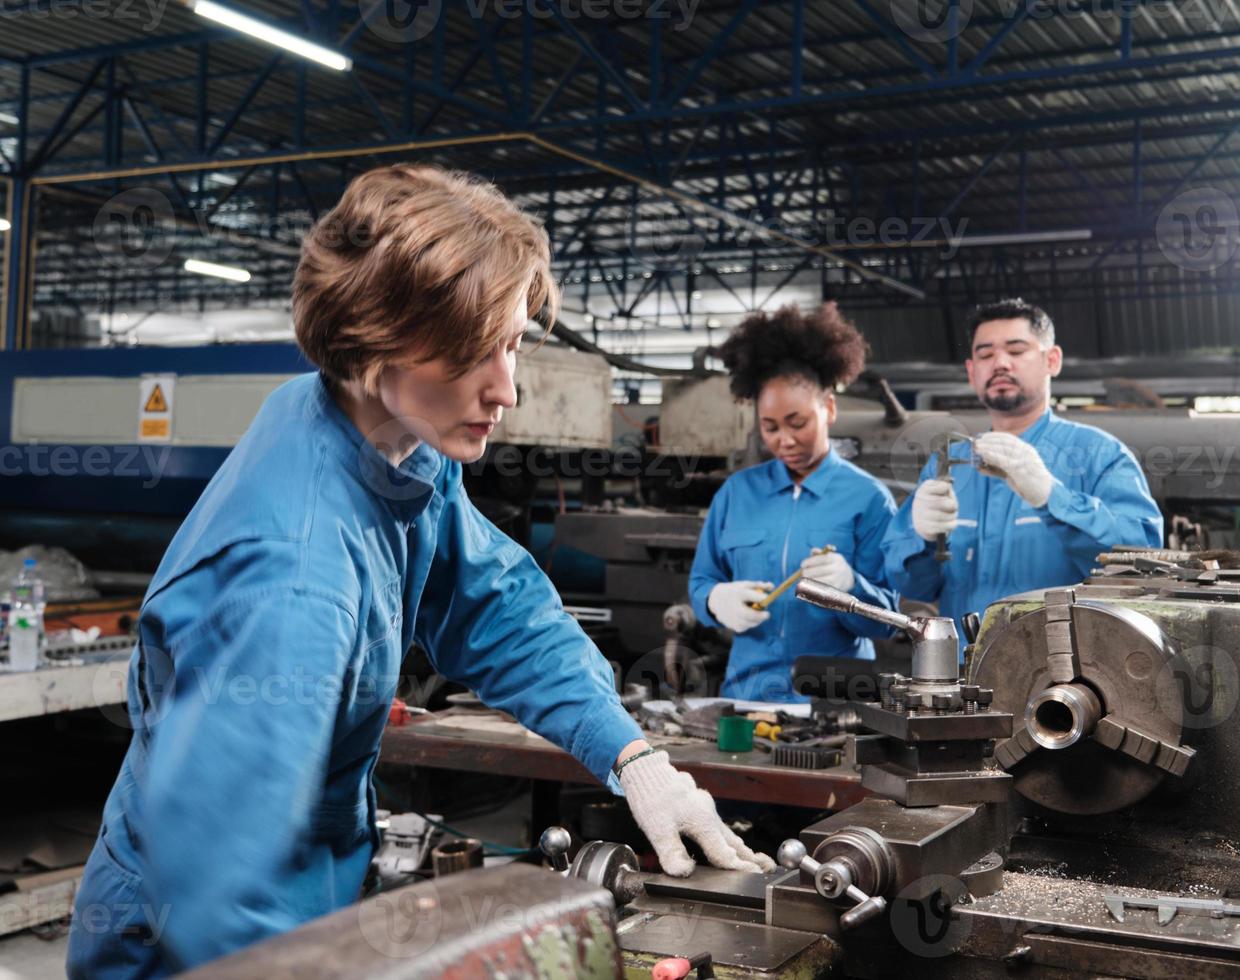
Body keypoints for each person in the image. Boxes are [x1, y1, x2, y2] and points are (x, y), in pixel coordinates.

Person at [66, 164, 772, 979]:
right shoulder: (291, 583)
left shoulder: (379, 436)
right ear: (378, 347)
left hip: (306, 906)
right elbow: (220, 890)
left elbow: (494, 608)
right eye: (477, 352)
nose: (506, 389)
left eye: (511, 344)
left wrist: (630, 754)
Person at [883, 297, 1163, 627]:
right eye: (985, 355)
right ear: (971, 372)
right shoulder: (947, 465)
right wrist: (920, 539)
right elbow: (912, 587)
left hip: (1065, 672)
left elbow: (1142, 565)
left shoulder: (1100, 455)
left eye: (1016, 351)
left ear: (1052, 360)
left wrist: (1052, 497)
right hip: (962, 670)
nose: (1000, 363)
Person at [688, 303, 900, 702]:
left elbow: (887, 621)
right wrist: (714, 601)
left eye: (797, 423)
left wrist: (852, 589)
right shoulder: (737, 494)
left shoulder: (869, 500)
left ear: (829, 409)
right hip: (747, 697)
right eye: (770, 427)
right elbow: (702, 580)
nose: (783, 440)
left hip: (836, 703)